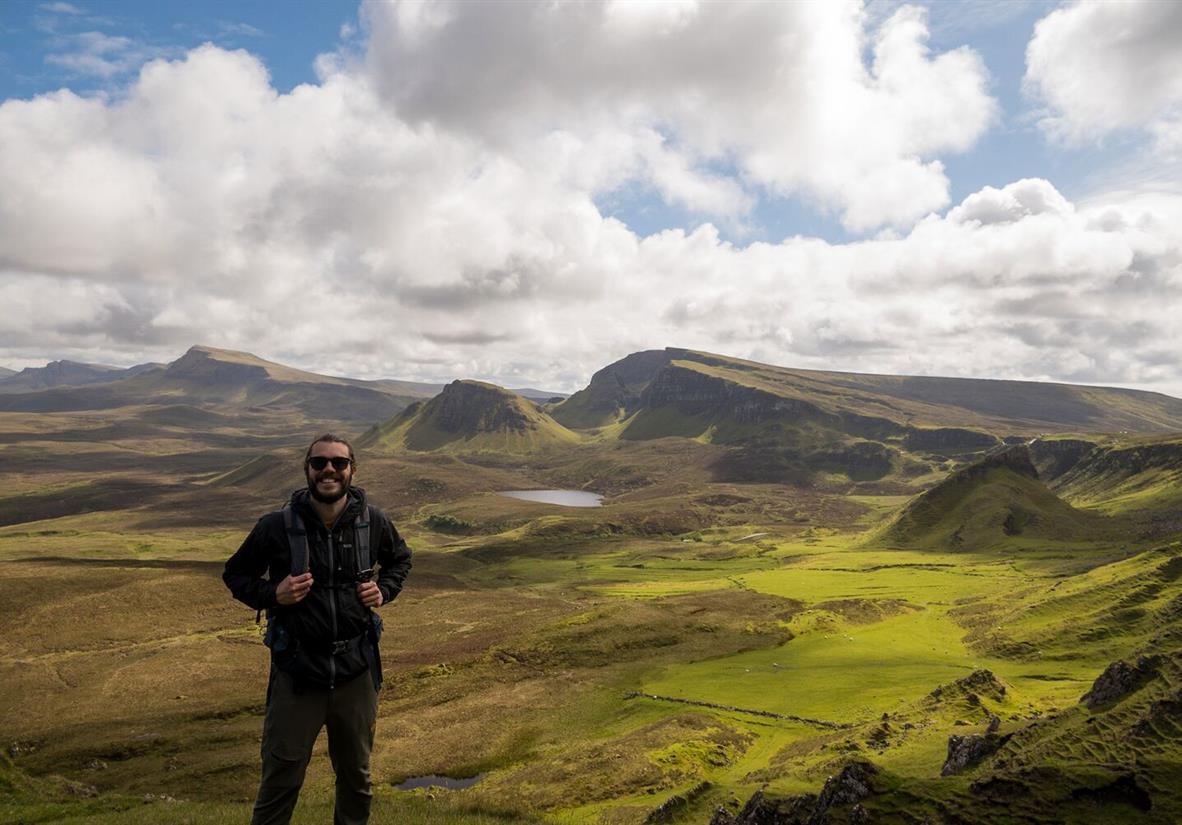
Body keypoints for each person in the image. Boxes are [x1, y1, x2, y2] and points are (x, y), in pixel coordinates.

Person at [223, 433, 412, 825]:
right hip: (297, 673)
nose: (329, 469)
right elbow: (236, 575)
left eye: (339, 463)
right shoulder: (275, 526)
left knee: (356, 779)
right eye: (319, 462)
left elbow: (400, 560)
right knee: (280, 779)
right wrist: (273, 592)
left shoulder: (372, 521)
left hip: (356, 671)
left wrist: (385, 590)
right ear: (307, 470)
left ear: (352, 470)